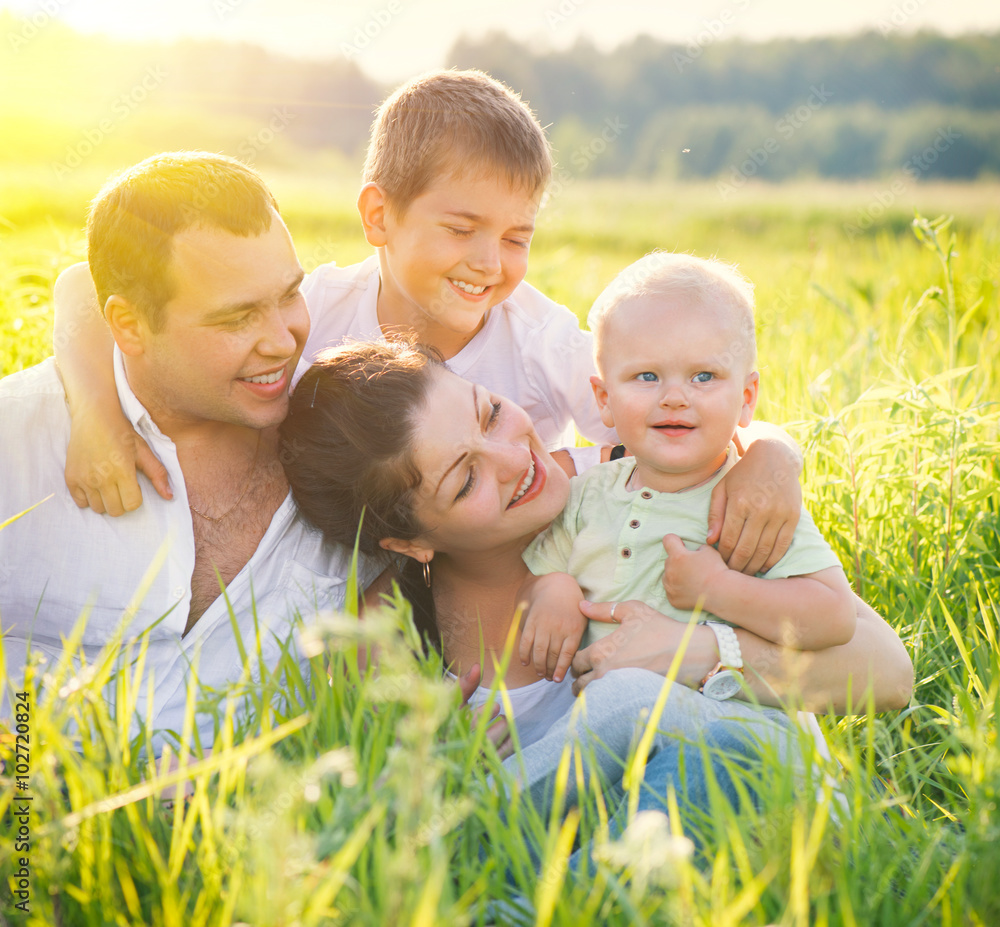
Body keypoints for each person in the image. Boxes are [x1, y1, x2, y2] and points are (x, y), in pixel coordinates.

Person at [52, 73, 806, 637]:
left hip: (502, 567)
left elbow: (671, 411)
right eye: (462, 227)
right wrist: (96, 415)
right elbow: (86, 283)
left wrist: (772, 452)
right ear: (379, 216)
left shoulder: (540, 338)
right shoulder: (316, 308)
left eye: (517, 237)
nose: (490, 262)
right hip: (363, 550)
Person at [278, 340, 913, 776]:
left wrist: (705, 651)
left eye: (491, 412)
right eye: (465, 480)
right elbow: (384, 805)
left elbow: (887, 672)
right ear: (410, 542)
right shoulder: (386, 632)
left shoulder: (647, 489)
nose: (513, 458)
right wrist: (438, 768)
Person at [0, 152, 375, 750]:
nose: (283, 340)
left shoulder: (354, 443)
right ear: (127, 325)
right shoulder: (15, 444)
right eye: (236, 318)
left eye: (289, 295)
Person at [523, 251, 857, 692]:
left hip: (733, 722)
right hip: (611, 725)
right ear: (603, 399)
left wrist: (719, 589)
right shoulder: (586, 495)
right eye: (646, 376)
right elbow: (533, 577)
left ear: (747, 396)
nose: (675, 397)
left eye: (703, 376)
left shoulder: (748, 504)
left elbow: (834, 617)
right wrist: (553, 590)